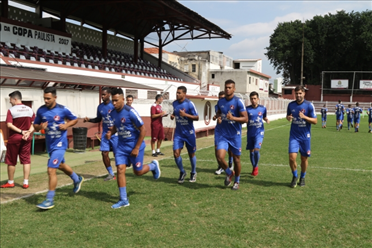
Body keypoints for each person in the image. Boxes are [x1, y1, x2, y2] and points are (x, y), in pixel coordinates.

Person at [106, 88, 161, 209]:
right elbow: (117, 125)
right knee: (120, 169)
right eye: (112, 101)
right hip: (121, 146)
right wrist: (111, 133)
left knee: (138, 172)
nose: (114, 103)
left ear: (123, 99)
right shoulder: (113, 112)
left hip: (135, 145)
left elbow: (143, 130)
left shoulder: (131, 112)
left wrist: (136, 148)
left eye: (116, 100)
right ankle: (124, 199)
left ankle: (153, 166)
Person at [33, 87, 84, 209]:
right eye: (44, 98)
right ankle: (77, 179)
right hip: (50, 144)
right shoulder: (41, 110)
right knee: (60, 165)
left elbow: (75, 119)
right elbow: (35, 126)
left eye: (48, 98)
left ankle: (49, 200)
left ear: (55, 97)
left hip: (60, 145)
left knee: (51, 170)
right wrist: (40, 127)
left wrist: (66, 125)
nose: (46, 100)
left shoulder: (62, 109)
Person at [215, 80, 248, 190]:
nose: (227, 89)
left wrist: (233, 118)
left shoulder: (238, 102)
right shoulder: (221, 101)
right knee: (219, 157)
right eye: (226, 87)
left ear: (234, 89)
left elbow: (245, 118)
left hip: (235, 135)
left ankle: (237, 181)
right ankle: (229, 172)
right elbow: (219, 111)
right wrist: (218, 116)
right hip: (223, 135)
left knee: (236, 160)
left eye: (230, 87)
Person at [1, 91, 35, 189]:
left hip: (14, 138)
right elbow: (34, 124)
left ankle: (11, 182)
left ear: (15, 99)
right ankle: (25, 182)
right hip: (26, 138)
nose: (10, 102)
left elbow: (9, 125)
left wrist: (21, 132)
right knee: (26, 160)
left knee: (11, 160)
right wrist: (28, 132)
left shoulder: (11, 110)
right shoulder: (29, 109)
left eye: (10, 99)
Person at [84, 87, 117, 181]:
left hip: (115, 134)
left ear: (109, 94)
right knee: (104, 153)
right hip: (105, 134)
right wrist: (89, 120)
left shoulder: (114, 105)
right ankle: (111, 174)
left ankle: (122, 168)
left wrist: (115, 128)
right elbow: (98, 119)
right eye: (101, 94)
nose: (102, 96)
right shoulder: (100, 107)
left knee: (117, 154)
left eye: (104, 94)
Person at [286, 85, 317, 188]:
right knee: (291, 158)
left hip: (305, 136)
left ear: (304, 93)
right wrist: (288, 117)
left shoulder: (309, 105)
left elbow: (315, 121)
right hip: (294, 136)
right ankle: (295, 176)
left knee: (304, 159)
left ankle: (302, 177)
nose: (298, 95)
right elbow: (288, 116)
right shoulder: (291, 105)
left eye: (300, 93)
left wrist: (305, 117)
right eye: (297, 93)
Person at [171, 86, 199, 184]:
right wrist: (173, 115)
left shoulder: (189, 104)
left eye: (179, 93)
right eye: (177, 92)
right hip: (178, 133)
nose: (177, 94)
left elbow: (197, 117)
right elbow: (175, 111)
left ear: (184, 94)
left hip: (189, 133)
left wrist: (185, 115)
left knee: (191, 153)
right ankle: (182, 172)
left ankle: (193, 172)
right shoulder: (174, 103)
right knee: (176, 153)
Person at [246, 91, 269, 177]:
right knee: (251, 152)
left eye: (255, 98)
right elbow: (244, 118)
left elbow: (264, 116)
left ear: (258, 99)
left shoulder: (263, 108)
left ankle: (256, 167)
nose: (253, 100)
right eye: (251, 99)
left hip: (259, 133)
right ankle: (254, 166)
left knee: (256, 150)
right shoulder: (247, 109)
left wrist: (266, 120)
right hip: (250, 133)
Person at [213, 91, 233, 175]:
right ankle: (220, 166)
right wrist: (215, 117)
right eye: (219, 97)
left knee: (229, 149)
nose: (220, 99)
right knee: (217, 149)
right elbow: (218, 115)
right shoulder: (217, 106)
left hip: (227, 129)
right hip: (218, 130)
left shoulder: (229, 106)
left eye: (222, 97)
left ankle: (230, 164)